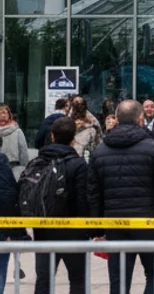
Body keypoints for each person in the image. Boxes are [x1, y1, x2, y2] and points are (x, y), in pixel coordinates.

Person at [87, 99, 154, 294]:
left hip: (115, 224)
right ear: (141, 118)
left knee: (119, 278)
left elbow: (93, 192)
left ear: (116, 119)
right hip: (149, 222)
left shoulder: (100, 151)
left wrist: (97, 227)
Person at [31, 117, 90, 294]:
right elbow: (83, 199)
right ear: (73, 139)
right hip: (74, 229)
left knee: (44, 279)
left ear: (52, 136)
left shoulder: (39, 161)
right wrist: (89, 227)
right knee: (77, 279)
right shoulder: (78, 164)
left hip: (44, 227)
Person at [69, 97, 102, 161]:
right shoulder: (94, 122)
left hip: (79, 158)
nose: (78, 106)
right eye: (76, 103)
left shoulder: (93, 123)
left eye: (79, 104)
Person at [0, 104, 29, 172]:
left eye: (6, 113)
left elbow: (23, 151)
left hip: (13, 167)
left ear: (9, 116)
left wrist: (24, 169)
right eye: (0, 113)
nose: (3, 116)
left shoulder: (17, 131)